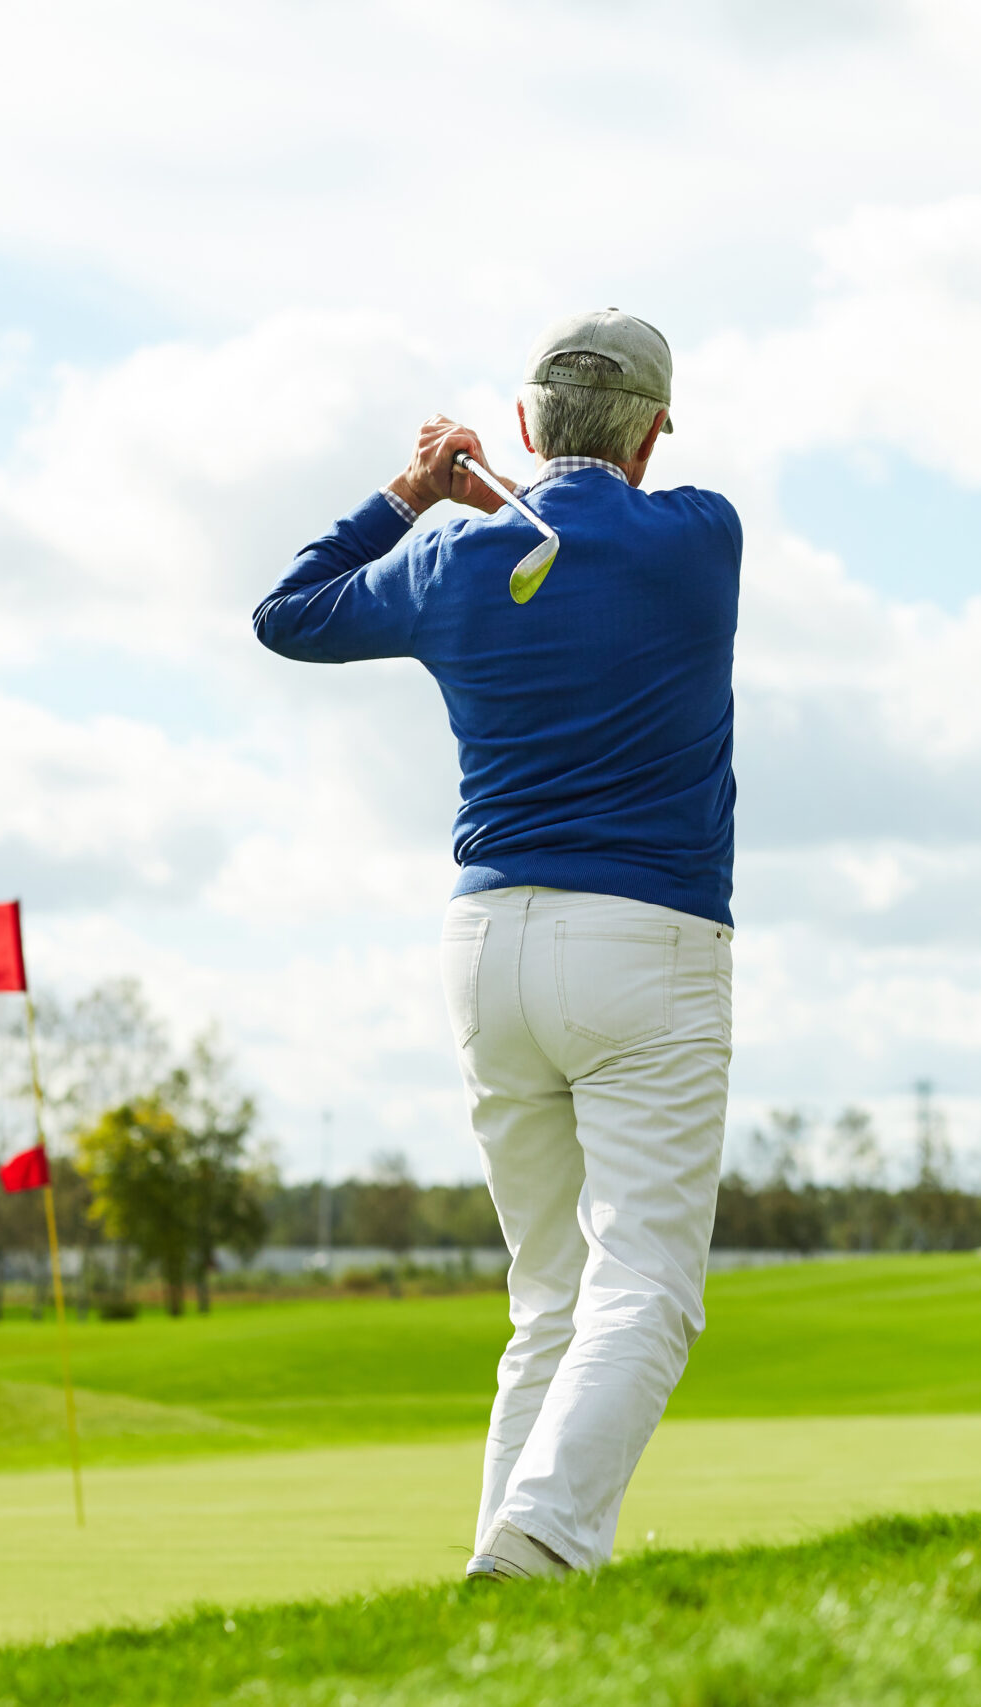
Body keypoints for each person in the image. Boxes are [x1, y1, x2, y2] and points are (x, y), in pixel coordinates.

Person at [253, 310, 740, 1582]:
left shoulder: (453, 555)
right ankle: (540, 1544)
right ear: (656, 427)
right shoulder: (705, 537)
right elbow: (589, 522)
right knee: (644, 1286)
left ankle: (502, 1578)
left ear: (523, 423)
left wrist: (412, 495)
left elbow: (287, 613)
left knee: (548, 1301)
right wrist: (509, 495)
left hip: (487, 950)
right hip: (647, 943)